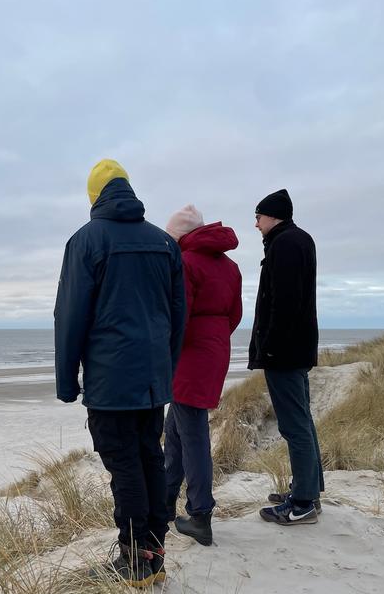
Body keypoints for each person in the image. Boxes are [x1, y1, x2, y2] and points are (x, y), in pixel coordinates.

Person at [54, 159, 186, 587]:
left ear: (94, 197)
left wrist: (65, 381)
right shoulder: (165, 244)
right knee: (150, 456)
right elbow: (177, 316)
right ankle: (155, 551)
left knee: (126, 464)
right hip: (152, 380)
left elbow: (70, 316)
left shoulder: (86, 241)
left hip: (111, 382)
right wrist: (166, 367)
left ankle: (136, 559)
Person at [163, 204, 242, 546]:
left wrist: (166, 352)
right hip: (215, 350)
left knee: (192, 434)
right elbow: (235, 315)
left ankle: (200, 514)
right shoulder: (230, 266)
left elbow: (179, 316)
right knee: (176, 430)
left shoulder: (186, 263)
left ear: (180, 237)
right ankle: (164, 502)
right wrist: (215, 338)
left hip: (191, 355)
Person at [248, 188, 323, 525]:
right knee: (301, 421)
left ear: (273, 215)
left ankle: (304, 501)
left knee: (294, 425)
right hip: (294, 349)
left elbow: (285, 303)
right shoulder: (295, 240)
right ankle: (308, 490)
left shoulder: (287, 243)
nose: (256, 224)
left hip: (286, 352)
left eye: (259, 217)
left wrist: (271, 347)